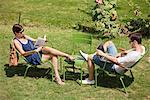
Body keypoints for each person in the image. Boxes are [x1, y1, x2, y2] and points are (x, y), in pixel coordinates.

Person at [79, 33, 145, 84]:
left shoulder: (133, 55)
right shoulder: (141, 48)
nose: (130, 43)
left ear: (135, 42)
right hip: (118, 60)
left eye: (130, 42)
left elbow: (116, 61)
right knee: (109, 43)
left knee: (90, 58)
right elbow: (130, 51)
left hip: (115, 67)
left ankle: (91, 79)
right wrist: (124, 52)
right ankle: (98, 54)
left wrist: (103, 54)